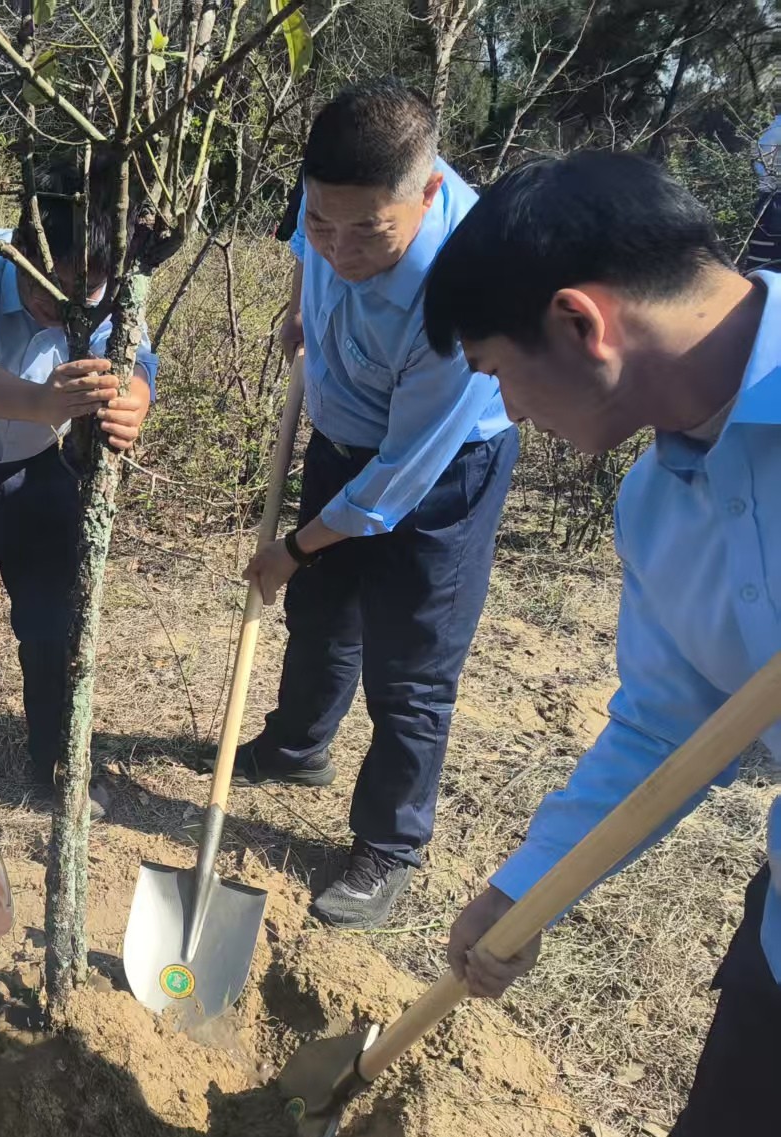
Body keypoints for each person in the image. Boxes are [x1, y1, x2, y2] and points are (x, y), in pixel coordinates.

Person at [425, 152, 779, 1137]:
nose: (508, 412)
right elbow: (666, 726)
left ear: (580, 324)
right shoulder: (656, 505)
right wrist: (526, 885)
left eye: (499, 374)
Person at [233, 78, 519, 929]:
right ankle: (296, 746)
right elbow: (308, 240)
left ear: (426, 196)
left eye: (367, 232)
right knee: (321, 616)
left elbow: (398, 479)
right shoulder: (334, 196)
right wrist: (300, 307)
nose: (340, 249)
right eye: (324, 223)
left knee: (411, 667)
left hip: (441, 472)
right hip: (343, 431)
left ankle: (389, 843)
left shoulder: (464, 294)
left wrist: (293, 547)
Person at [0, 153, 158, 815]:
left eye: (88, 289)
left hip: (45, 471)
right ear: (23, 247)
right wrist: (44, 402)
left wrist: (135, 397)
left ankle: (57, 764)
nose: (66, 305)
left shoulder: (111, 283)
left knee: (51, 626)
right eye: (54, 286)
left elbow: (137, 354)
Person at [743, 109, 780, 272]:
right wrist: (770, 181)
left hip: (770, 198)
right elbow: (759, 163)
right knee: (766, 255)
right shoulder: (777, 130)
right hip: (774, 198)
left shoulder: (771, 129)